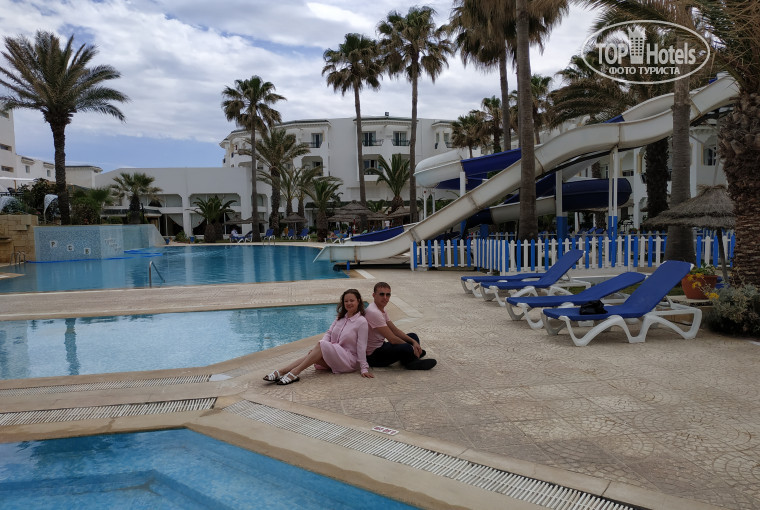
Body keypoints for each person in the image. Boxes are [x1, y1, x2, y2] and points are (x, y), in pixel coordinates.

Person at [263, 289, 373, 385]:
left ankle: (294, 372)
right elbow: (329, 333)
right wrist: (321, 348)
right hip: (335, 356)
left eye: (352, 300)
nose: (348, 303)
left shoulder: (361, 322)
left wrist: (364, 368)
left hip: (349, 361)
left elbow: (361, 346)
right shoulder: (340, 318)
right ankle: (282, 371)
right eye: (346, 301)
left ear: (358, 301)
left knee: (320, 346)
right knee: (314, 353)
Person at [365, 282, 436, 370]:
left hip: (381, 346)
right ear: (374, 295)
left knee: (413, 336)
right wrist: (412, 348)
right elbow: (392, 339)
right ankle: (412, 362)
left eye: (388, 295)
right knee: (406, 346)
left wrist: (414, 342)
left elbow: (395, 331)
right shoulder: (374, 312)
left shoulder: (381, 309)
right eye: (382, 294)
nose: (385, 297)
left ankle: (408, 357)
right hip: (374, 356)